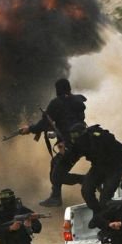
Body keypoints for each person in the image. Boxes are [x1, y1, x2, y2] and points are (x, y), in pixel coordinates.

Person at [18, 78, 87, 207]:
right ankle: (56, 196)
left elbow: (43, 124)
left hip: (69, 145)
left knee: (57, 176)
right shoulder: (77, 101)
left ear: (57, 90)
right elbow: (70, 121)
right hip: (82, 141)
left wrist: (29, 129)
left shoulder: (57, 103)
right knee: (55, 164)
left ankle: (85, 179)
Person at [63, 122, 122, 224]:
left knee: (105, 197)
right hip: (97, 167)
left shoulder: (101, 138)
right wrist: (63, 152)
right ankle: (97, 213)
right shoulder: (78, 144)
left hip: (114, 167)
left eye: (76, 136)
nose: (75, 139)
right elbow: (70, 157)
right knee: (86, 190)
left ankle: (105, 220)